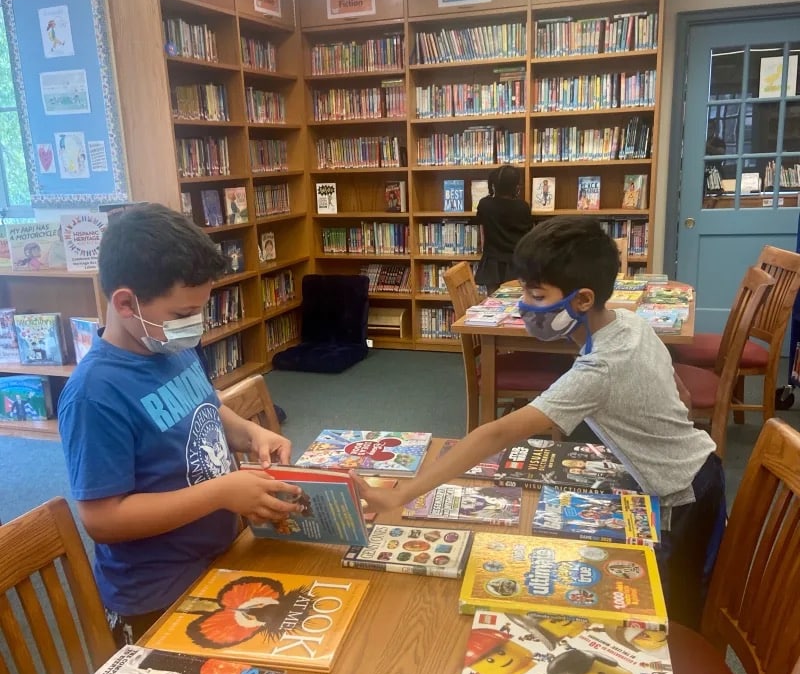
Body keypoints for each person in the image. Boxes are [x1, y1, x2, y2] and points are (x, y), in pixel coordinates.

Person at [359, 217, 725, 630]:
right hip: (696, 468)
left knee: (671, 619)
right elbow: (684, 396)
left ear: (583, 300)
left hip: (682, 495)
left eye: (536, 295)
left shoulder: (599, 369)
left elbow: (495, 432)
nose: (525, 306)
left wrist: (401, 495)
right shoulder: (630, 322)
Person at [58, 203, 302, 646]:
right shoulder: (95, 393)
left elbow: (204, 409)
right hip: (158, 595)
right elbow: (102, 519)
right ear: (126, 303)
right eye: (181, 314)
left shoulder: (170, 347)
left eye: (200, 310)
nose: (194, 326)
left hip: (220, 555)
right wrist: (221, 493)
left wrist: (251, 433)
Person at [474, 164, 533, 292]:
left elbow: (482, 231)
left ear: (494, 184)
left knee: (493, 303)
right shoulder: (523, 207)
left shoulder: (485, 204)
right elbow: (528, 235)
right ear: (516, 187)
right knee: (516, 303)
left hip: (492, 263)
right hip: (516, 263)